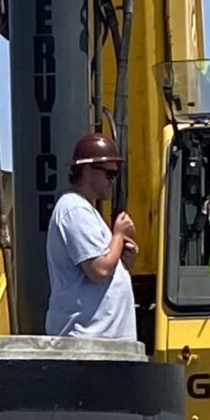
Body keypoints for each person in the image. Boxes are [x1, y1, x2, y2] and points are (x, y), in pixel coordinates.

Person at [45, 130, 138, 340]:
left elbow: (106, 267)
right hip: (90, 341)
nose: (112, 181)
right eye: (109, 174)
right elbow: (99, 270)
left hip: (105, 342)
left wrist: (124, 264)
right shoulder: (74, 209)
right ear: (87, 170)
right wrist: (118, 235)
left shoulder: (86, 211)